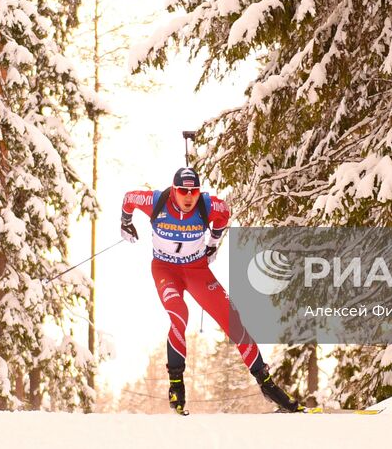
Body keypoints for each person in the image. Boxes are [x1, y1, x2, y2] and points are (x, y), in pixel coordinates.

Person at [120, 166, 303, 414]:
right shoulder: (156, 201)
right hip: (165, 270)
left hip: (197, 271)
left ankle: (266, 383)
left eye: (193, 192)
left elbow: (224, 215)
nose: (188, 197)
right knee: (178, 313)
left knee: (232, 319)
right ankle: (176, 385)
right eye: (183, 191)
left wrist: (213, 243)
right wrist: (126, 222)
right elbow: (129, 199)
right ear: (174, 190)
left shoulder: (208, 206)